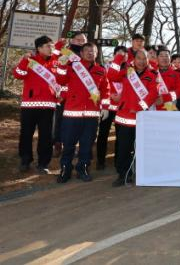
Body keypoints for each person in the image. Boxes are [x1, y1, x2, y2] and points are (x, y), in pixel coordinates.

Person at [55, 42, 109, 183]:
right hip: (72, 113)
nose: (90, 53)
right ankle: (65, 169)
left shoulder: (101, 70)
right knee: (68, 144)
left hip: (92, 115)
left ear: (96, 54)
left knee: (87, 145)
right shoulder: (72, 66)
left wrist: (105, 107)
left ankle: (83, 169)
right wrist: (61, 65)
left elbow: (105, 90)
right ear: (81, 53)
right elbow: (60, 80)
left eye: (93, 51)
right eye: (87, 51)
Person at [107, 49, 159, 186]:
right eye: (139, 58)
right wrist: (118, 59)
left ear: (148, 60)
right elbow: (111, 76)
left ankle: (143, 174)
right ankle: (124, 175)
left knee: (142, 149)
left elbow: (153, 94)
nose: (141, 61)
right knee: (123, 149)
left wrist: (139, 107)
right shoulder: (127, 71)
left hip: (142, 118)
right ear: (134, 59)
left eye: (144, 58)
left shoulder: (152, 75)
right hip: (124, 118)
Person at [13, 35, 60, 174]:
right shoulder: (30, 60)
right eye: (48, 46)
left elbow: (61, 81)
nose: (51, 48)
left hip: (49, 106)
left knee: (46, 136)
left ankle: (43, 163)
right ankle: (25, 161)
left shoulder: (56, 62)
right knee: (26, 134)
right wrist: (24, 60)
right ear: (39, 48)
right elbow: (18, 74)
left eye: (52, 46)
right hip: (29, 105)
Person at [97, 45, 128, 170]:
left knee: (121, 136)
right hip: (108, 106)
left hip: (122, 106)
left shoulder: (130, 69)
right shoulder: (106, 67)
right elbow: (102, 84)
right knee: (103, 134)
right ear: (114, 55)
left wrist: (122, 96)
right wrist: (109, 97)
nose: (121, 56)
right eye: (119, 53)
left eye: (124, 54)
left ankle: (118, 161)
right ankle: (100, 161)